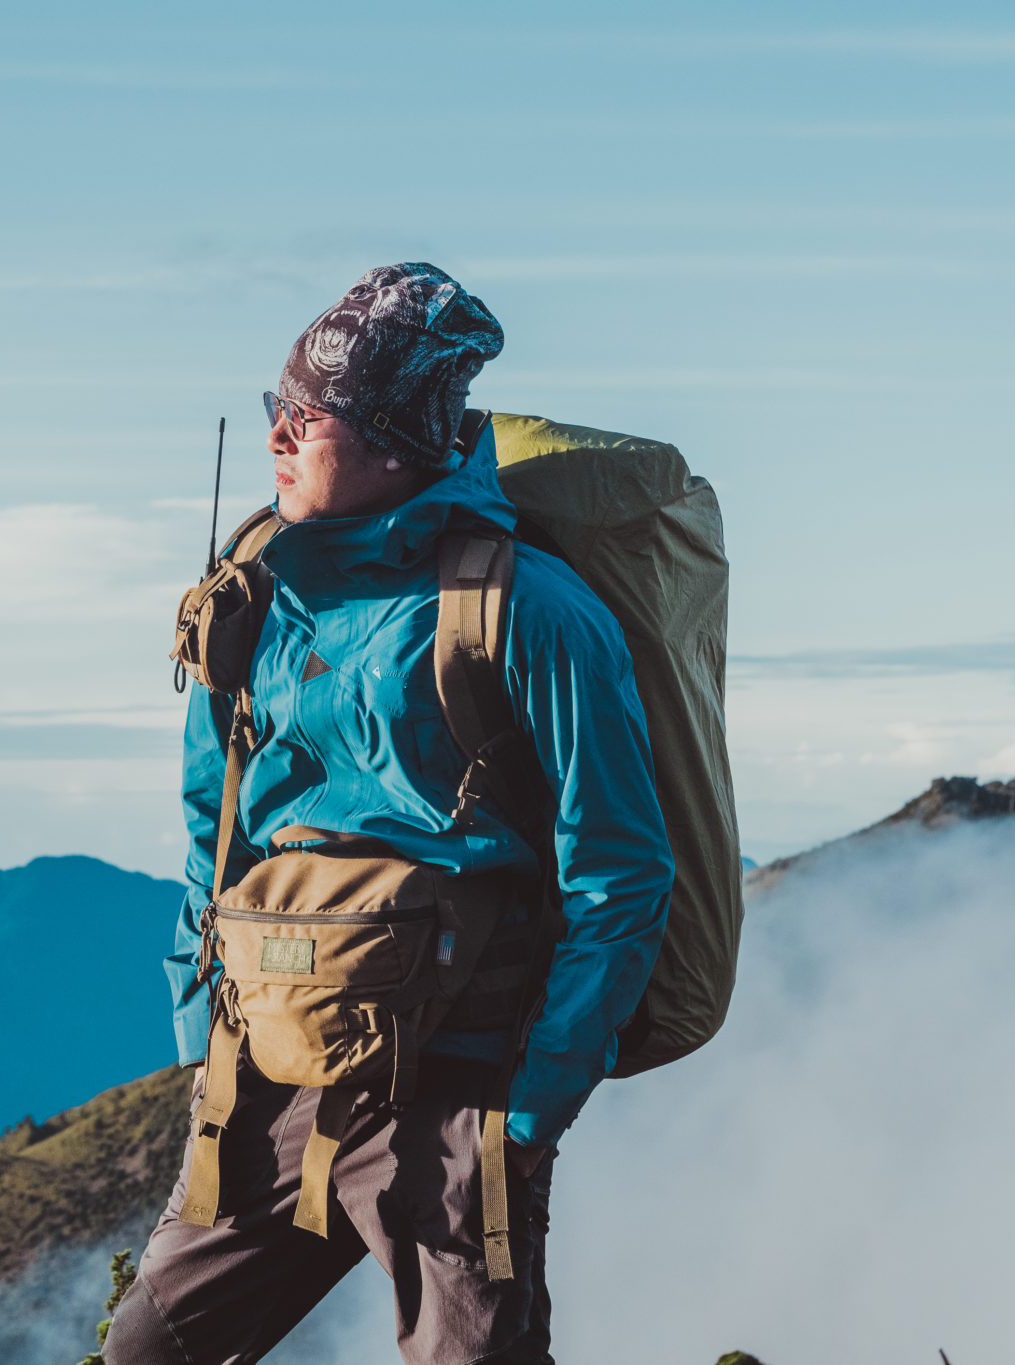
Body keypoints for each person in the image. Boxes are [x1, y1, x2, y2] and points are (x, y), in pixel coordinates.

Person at [102, 264, 675, 1364]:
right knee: (147, 1352)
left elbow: (619, 874)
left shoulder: (528, 614)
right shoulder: (250, 596)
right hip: (263, 1082)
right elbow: (212, 832)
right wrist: (200, 1036)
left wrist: (523, 1118)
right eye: (276, 406)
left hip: (456, 1097)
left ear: (397, 444)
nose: (276, 435)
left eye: (308, 416)